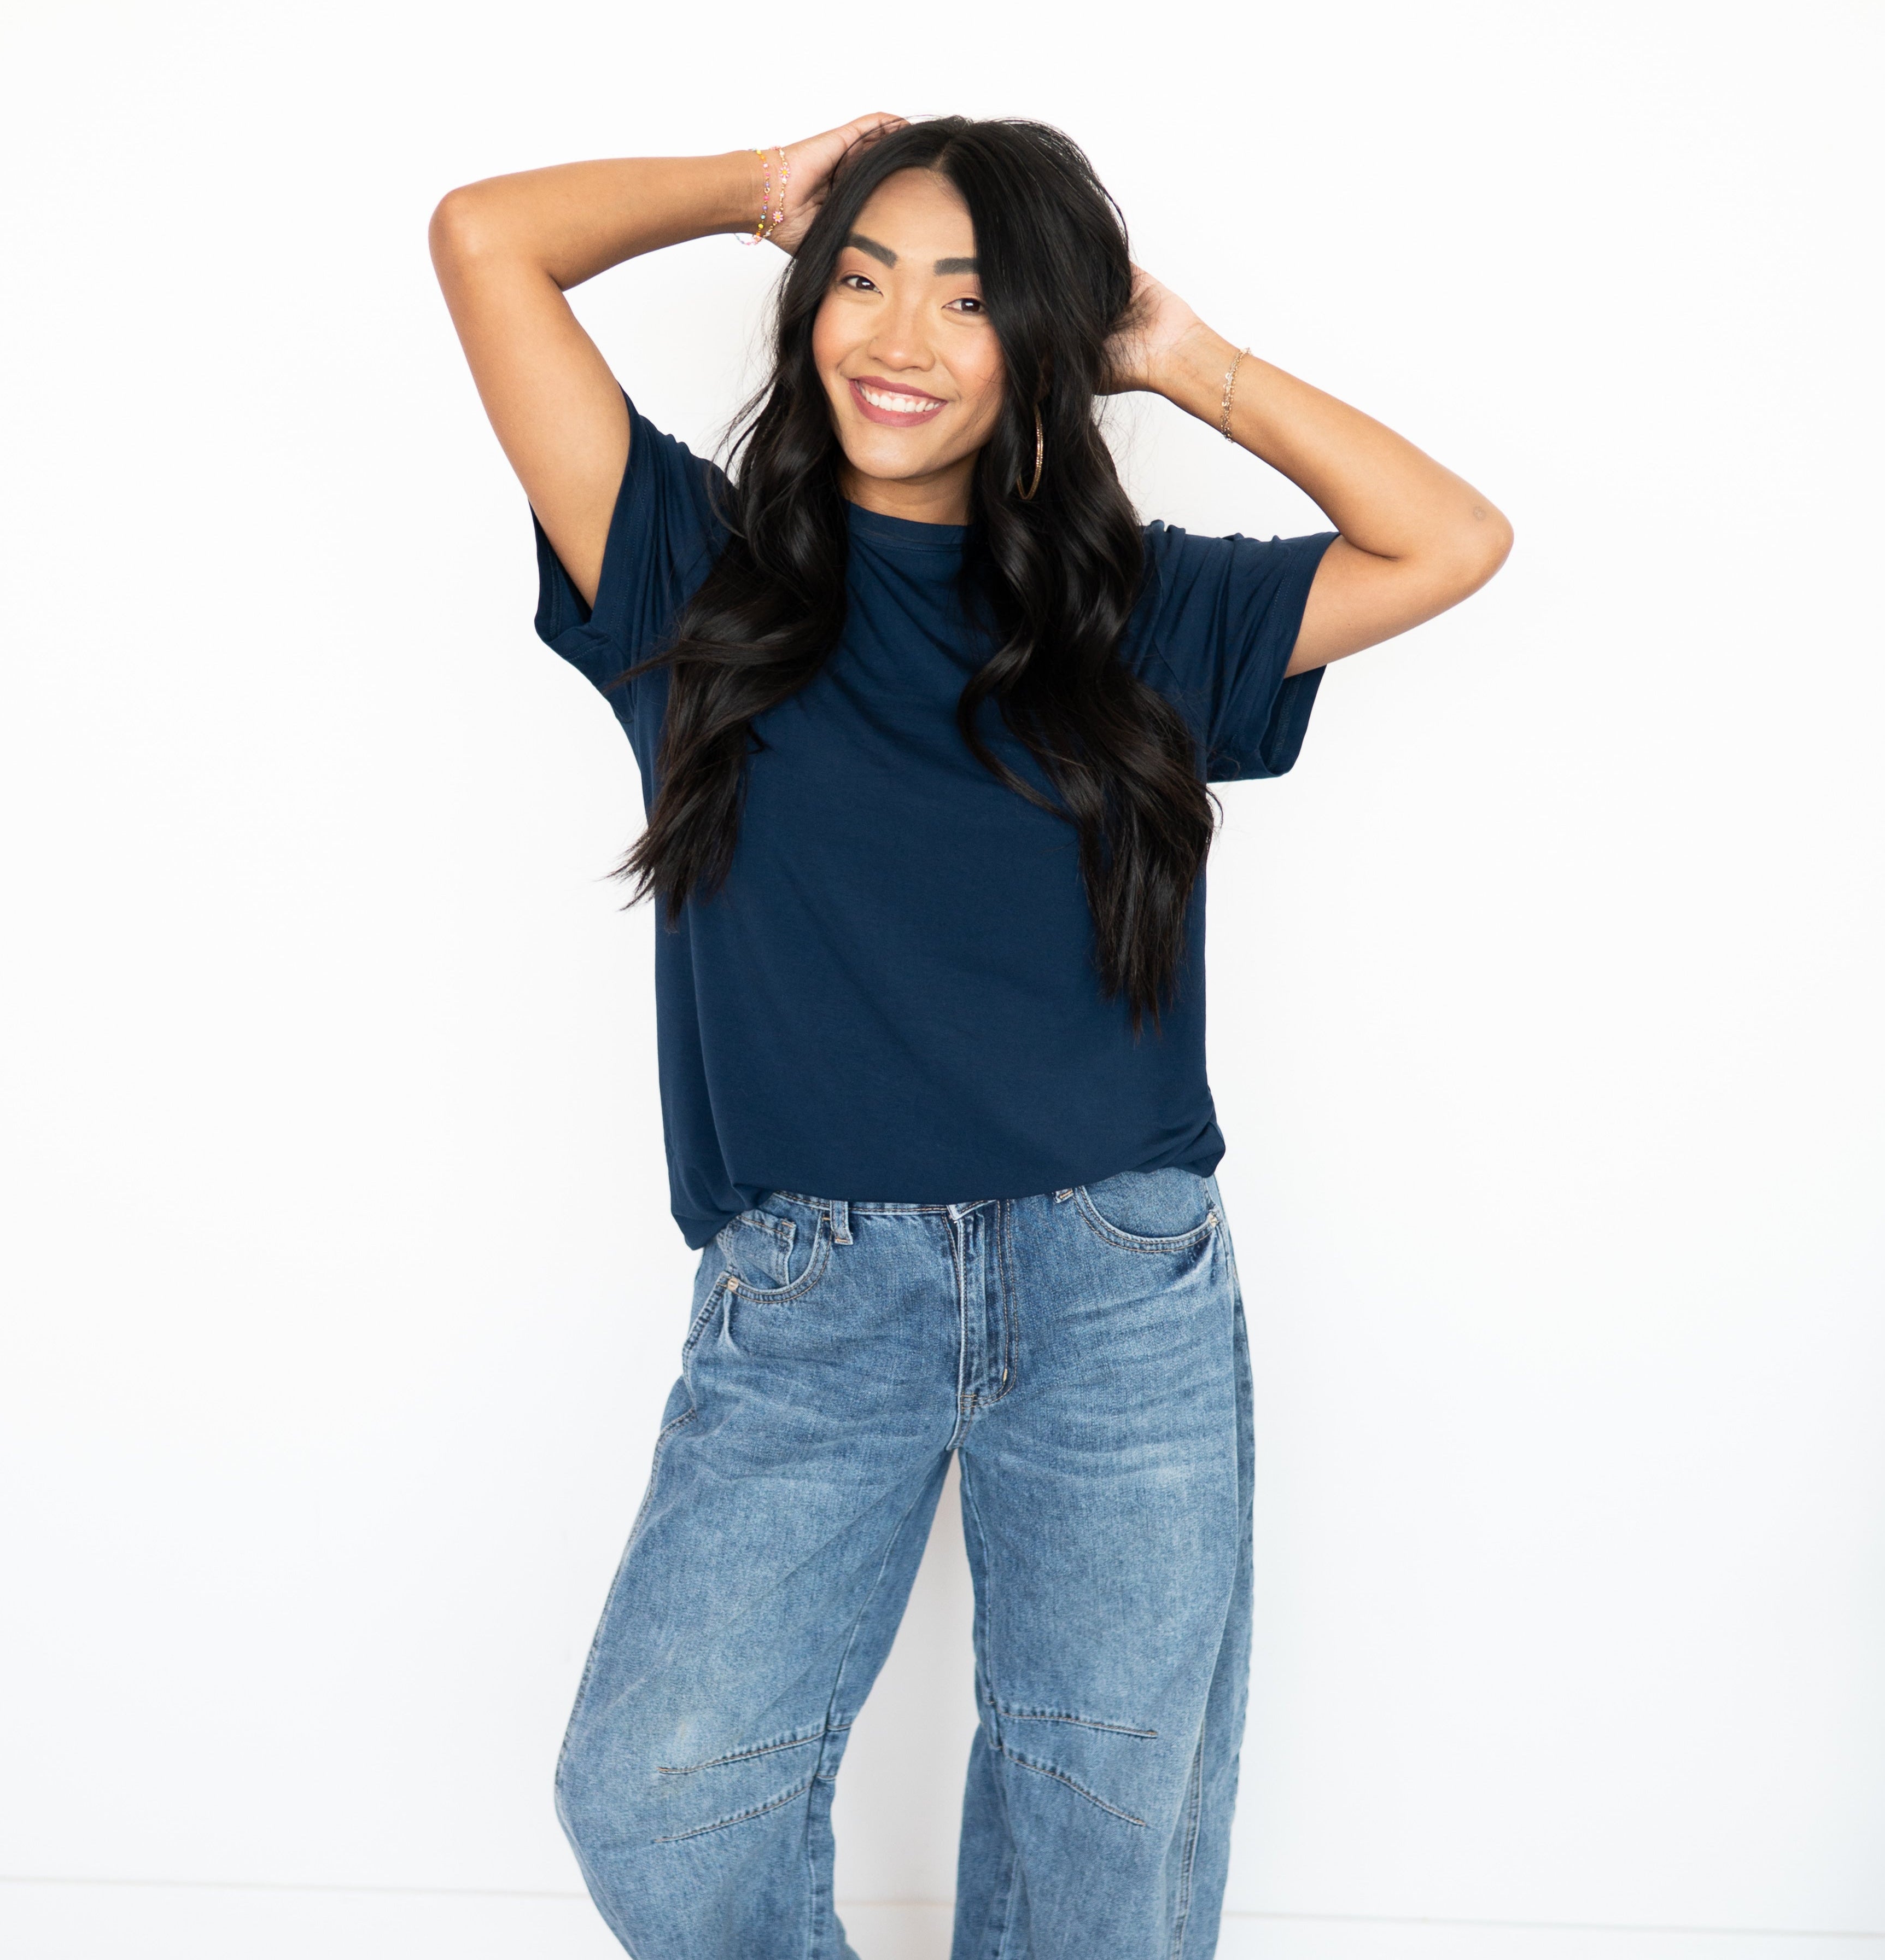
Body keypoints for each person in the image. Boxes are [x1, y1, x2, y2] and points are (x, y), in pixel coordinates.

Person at [429, 112, 1509, 1960]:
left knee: (1106, 1853)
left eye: (968, 297)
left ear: (1042, 349)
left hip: (1118, 1284)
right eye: (860, 279)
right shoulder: (685, 570)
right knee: (659, 1789)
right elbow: (480, 238)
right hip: (810, 1294)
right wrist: (751, 188)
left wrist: (1184, 354)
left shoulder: (1137, 614)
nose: (898, 338)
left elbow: (1454, 538)